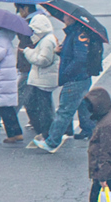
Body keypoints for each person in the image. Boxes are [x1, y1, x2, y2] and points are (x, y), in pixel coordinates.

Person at [35, 16, 101, 152]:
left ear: (73, 19)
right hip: (81, 77)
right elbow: (74, 55)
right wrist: (61, 52)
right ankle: (91, 131)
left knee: (64, 111)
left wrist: (67, 73)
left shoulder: (79, 34)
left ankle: (52, 142)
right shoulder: (76, 32)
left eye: (66, 16)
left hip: (76, 78)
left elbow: (80, 59)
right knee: (82, 105)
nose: (64, 18)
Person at [18, 4, 60, 141]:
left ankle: (47, 133)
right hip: (41, 77)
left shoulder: (46, 41)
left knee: (41, 106)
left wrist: (27, 52)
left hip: (43, 78)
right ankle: (46, 130)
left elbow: (43, 60)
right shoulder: (45, 38)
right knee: (42, 105)